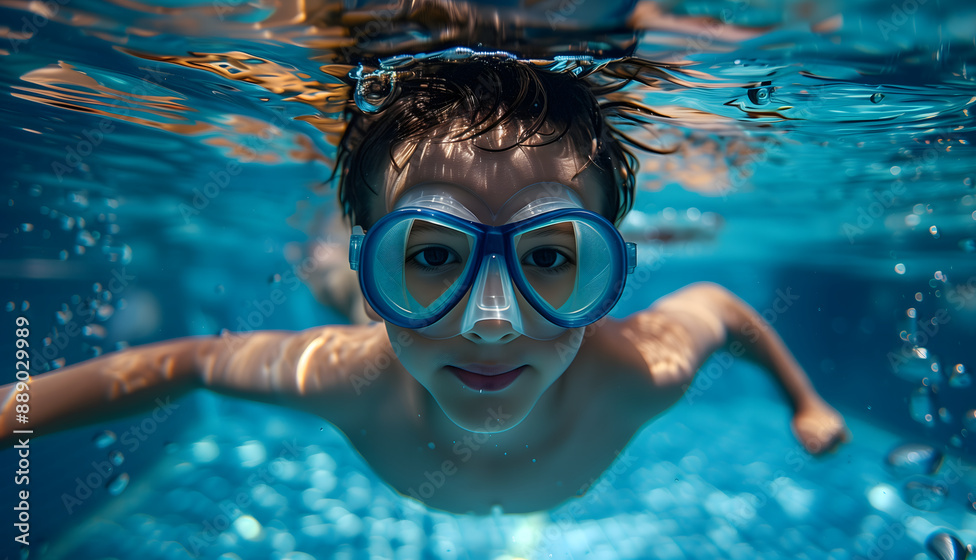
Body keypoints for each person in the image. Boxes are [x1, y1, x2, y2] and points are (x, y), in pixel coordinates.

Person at [0, 47, 848, 516]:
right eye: (432, 251)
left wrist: (804, 399)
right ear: (386, 267)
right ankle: (345, 266)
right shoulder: (344, 373)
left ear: (609, 273)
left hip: (387, 306)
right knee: (330, 280)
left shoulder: (644, 371)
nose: (491, 322)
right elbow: (178, 364)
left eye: (550, 256)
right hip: (362, 298)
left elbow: (728, 309)